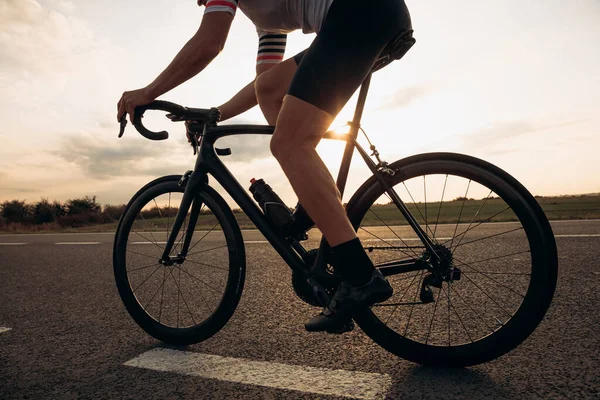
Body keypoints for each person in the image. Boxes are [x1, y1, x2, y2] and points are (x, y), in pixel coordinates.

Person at [117, 0, 413, 333]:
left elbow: (209, 42)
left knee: (289, 144)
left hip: (357, 14)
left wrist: (148, 92)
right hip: (368, 17)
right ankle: (311, 209)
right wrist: (215, 114)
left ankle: (359, 275)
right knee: (274, 94)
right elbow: (266, 85)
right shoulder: (266, 21)